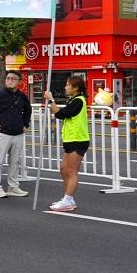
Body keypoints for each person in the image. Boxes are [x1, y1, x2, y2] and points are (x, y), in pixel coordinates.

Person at [0, 71, 32, 199]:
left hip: (18, 133)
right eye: (8, 78)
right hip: (2, 133)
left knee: (14, 162)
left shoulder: (22, 96)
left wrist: (25, 124)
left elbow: (28, 109)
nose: (10, 80)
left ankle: (13, 186)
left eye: (13, 79)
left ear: (19, 82)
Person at [45, 76, 89, 212]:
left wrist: (51, 100)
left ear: (76, 87)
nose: (65, 87)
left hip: (78, 139)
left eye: (68, 85)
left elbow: (61, 114)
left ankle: (68, 200)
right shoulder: (73, 100)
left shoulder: (79, 101)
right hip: (70, 140)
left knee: (71, 171)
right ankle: (68, 198)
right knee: (64, 170)